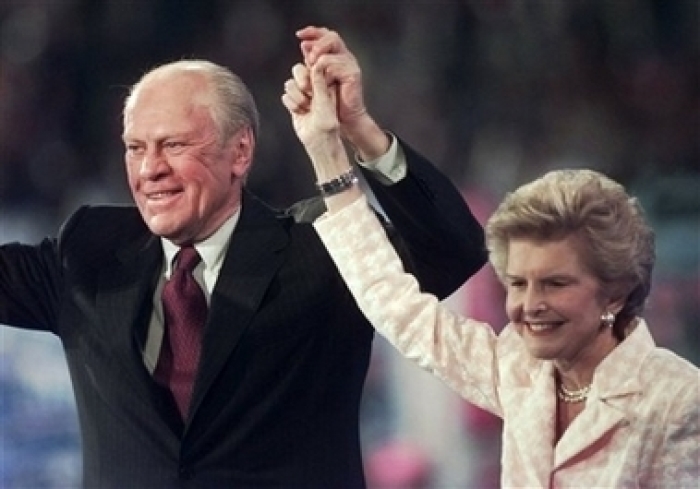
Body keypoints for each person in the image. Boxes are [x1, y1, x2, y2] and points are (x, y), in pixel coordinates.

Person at [0, 26, 487, 487]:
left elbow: (454, 249)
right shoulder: (90, 253)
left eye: (174, 144)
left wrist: (361, 131)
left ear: (240, 152)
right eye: (135, 148)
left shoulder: (322, 247)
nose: (150, 169)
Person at [284, 56, 700, 487]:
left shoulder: (678, 400)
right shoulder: (522, 371)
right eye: (518, 283)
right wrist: (328, 148)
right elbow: (396, 305)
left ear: (615, 292)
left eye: (555, 283)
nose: (529, 306)